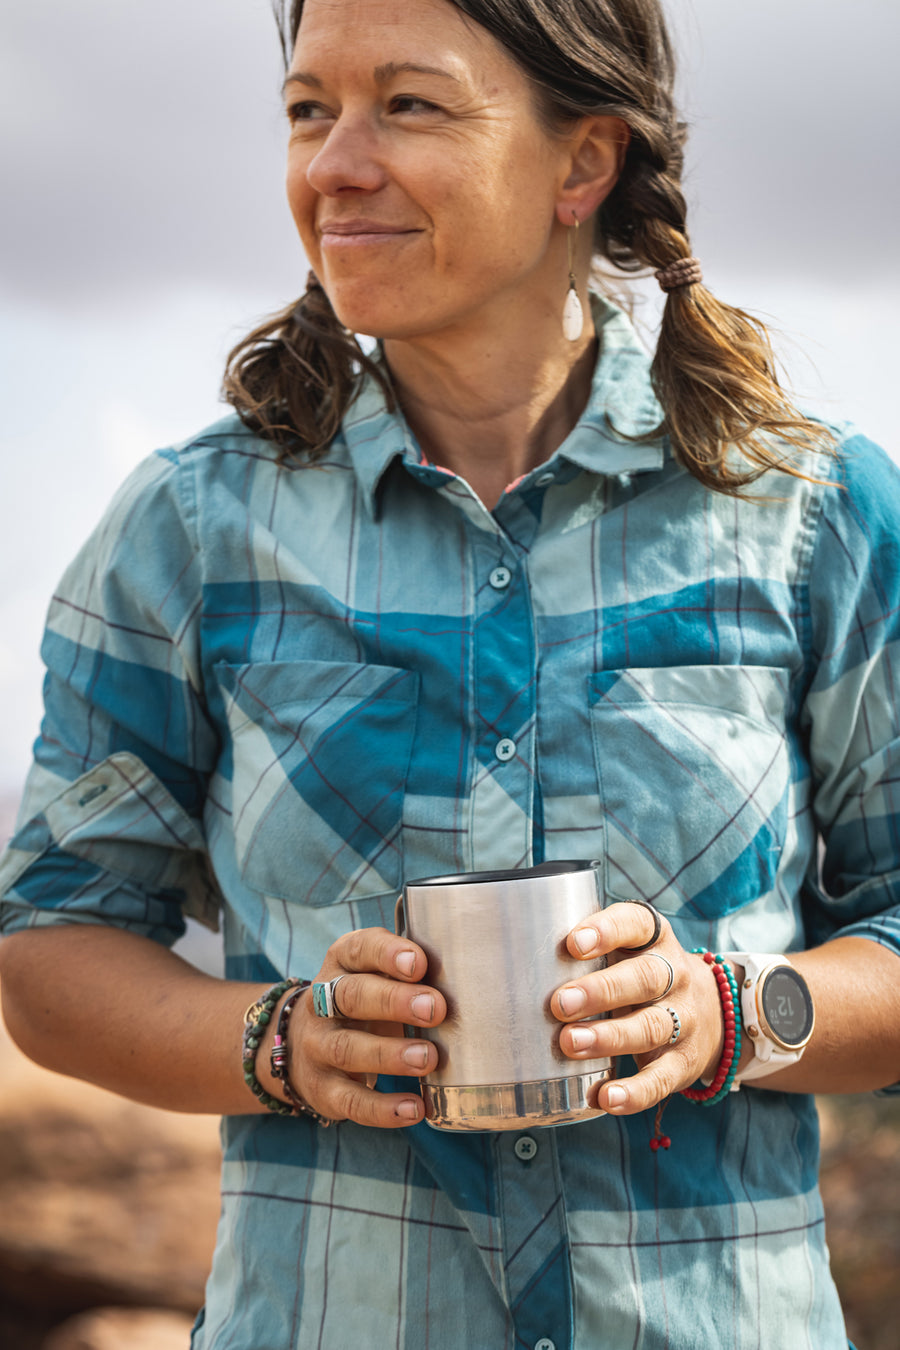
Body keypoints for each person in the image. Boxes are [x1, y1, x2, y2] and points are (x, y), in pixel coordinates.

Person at [0, 0, 898, 1345]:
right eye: (309, 110)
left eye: (407, 106)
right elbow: (51, 946)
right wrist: (285, 1042)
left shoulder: (813, 513)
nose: (332, 166)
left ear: (583, 164)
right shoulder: (189, 526)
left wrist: (725, 1014)